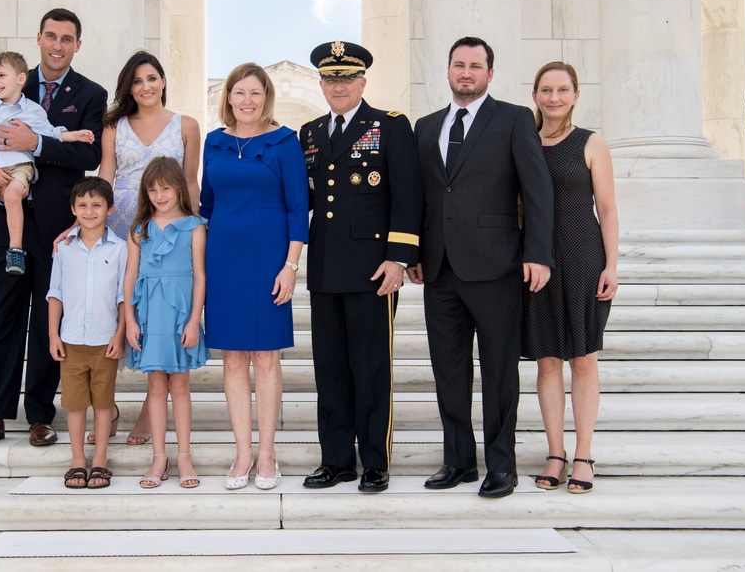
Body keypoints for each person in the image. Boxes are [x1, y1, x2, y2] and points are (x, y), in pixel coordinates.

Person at [407, 36, 554, 498]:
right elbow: (419, 198)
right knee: (449, 370)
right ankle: (458, 461)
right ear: (447, 71)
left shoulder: (513, 119)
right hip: (440, 269)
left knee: (498, 371)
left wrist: (538, 253)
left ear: (490, 73)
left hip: (497, 266)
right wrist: (412, 251)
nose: (466, 72)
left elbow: (537, 190)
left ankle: (501, 466)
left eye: (475, 65)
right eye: (458, 65)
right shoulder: (425, 127)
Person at [0, 8, 107, 449]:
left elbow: (87, 158)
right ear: (38, 38)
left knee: (47, 322)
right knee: (2, 317)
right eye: (51, 36)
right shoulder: (6, 86)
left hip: (60, 229)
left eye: (67, 39)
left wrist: (35, 143)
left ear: (77, 45)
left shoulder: (91, 94)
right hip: (9, 222)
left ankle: (40, 415)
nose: (58, 45)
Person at [299, 41, 423, 494]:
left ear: (362, 82)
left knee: (370, 368)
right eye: (331, 78)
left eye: (347, 78)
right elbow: (306, 199)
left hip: (374, 270)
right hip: (326, 267)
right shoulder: (309, 132)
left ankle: (374, 460)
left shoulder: (389, 126)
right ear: (322, 84)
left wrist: (400, 257)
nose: (339, 86)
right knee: (329, 368)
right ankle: (336, 460)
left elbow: (408, 197)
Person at [80, 50, 202, 446]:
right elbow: (106, 175)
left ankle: (152, 418)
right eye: (137, 81)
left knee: (160, 321)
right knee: (118, 316)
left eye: (152, 78)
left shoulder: (186, 125)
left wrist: (196, 226)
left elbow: (189, 180)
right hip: (122, 229)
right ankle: (108, 405)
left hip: (168, 231)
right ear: (128, 88)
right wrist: (85, 223)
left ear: (163, 81)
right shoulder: (114, 126)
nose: (145, 86)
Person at [200, 63, 308, 490]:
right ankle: (242, 452)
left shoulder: (285, 142)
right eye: (240, 92)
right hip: (223, 260)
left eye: (256, 93)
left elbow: (298, 207)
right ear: (228, 97)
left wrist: (290, 265)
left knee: (265, 357)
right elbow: (207, 205)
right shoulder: (213, 143)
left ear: (267, 98)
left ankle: (267, 453)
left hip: (269, 261)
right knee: (232, 359)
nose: (247, 101)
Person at [524, 61, 618, 494]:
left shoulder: (591, 142)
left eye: (563, 90)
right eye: (546, 90)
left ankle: (583, 455)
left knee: (582, 358)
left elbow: (608, 208)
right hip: (536, 260)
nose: (554, 97)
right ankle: (555, 452)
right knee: (547, 359)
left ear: (576, 95)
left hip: (582, 255)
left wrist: (611, 265)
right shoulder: (523, 142)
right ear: (535, 95)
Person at [0, 52, 94, 291]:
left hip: (20, 168)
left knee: (12, 195)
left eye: (1, 75)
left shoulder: (32, 110)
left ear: (21, 78)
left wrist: (75, 135)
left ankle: (16, 250)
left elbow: (50, 133)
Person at [124, 157, 209, 489]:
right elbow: (131, 276)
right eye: (153, 189)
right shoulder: (138, 230)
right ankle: (159, 458)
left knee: (180, 386)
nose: (159, 195)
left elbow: (200, 276)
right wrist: (130, 319)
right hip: (148, 313)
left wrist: (193, 320)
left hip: (179, 316)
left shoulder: (195, 226)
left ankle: (184, 455)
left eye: (166, 188)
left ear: (179, 188)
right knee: (156, 386)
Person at [47, 177, 126, 489]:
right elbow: (56, 293)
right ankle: (77, 460)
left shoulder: (120, 249)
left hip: (105, 339)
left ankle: (100, 460)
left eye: (96, 205)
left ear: (110, 209)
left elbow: (123, 295)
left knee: (104, 403)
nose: (89, 211)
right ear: (73, 209)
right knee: (75, 404)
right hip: (71, 341)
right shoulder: (64, 249)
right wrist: (53, 335)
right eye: (83, 205)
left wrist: (119, 334)